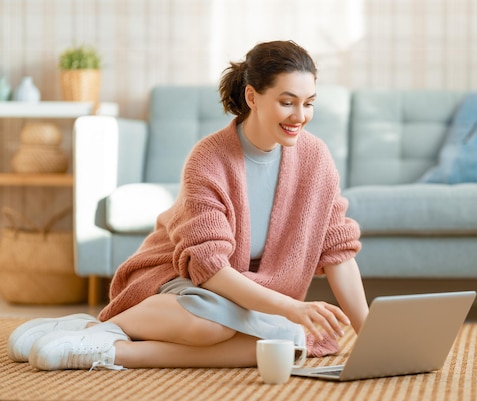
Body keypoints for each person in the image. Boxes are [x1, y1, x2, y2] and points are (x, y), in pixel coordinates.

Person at [6, 40, 369, 371]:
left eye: (308, 104)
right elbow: (209, 270)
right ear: (253, 97)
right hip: (177, 277)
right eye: (287, 102)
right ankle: (101, 326)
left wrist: (369, 332)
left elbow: (337, 250)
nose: (299, 116)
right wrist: (291, 307)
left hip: (245, 294)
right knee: (210, 324)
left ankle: (109, 349)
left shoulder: (315, 158)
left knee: (288, 345)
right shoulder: (209, 158)